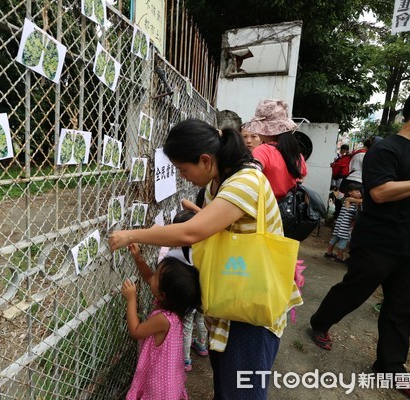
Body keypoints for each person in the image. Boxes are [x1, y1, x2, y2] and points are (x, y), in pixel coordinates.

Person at [109, 119, 302, 400]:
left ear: (205, 160)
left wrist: (130, 235)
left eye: (183, 170)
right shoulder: (219, 183)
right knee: (227, 386)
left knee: (243, 391)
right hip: (230, 298)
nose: (182, 177)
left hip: (253, 307)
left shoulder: (246, 181)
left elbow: (193, 232)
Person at [309, 89, 410, 399]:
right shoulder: (386, 150)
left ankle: (389, 366)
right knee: (354, 290)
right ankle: (320, 322)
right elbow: (380, 193)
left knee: (405, 308)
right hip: (379, 243)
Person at [122, 252, 201, 400]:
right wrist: (138, 258)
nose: (152, 277)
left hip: (159, 388)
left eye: (156, 276)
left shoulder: (162, 319)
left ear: (163, 294)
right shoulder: (175, 310)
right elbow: (148, 278)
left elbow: (136, 331)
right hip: (169, 382)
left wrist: (131, 299)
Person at [153, 210, 209, 372]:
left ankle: (185, 359)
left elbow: (162, 264)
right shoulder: (202, 252)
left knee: (187, 327)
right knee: (201, 320)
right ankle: (202, 344)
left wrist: (165, 241)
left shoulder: (174, 254)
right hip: (202, 296)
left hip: (185, 300)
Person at [243, 99, 307, 201]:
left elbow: (249, 176)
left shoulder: (262, 151)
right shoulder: (298, 155)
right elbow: (301, 179)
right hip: (289, 211)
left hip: (265, 209)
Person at [323, 182, 362, 263]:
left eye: (360, 192)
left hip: (340, 224)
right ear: (349, 192)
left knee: (335, 238)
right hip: (344, 225)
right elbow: (361, 201)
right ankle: (339, 256)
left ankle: (329, 252)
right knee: (343, 241)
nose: (359, 193)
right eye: (357, 191)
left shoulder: (354, 203)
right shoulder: (348, 200)